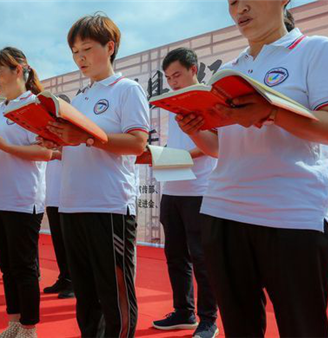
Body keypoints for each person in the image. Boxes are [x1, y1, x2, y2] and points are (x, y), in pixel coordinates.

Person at [177, 1, 328, 336]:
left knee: (303, 328)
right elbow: (221, 148)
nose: (241, 8)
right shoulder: (229, 69)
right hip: (223, 213)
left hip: (290, 217)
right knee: (240, 328)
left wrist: (271, 113)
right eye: (233, 2)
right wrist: (194, 127)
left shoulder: (315, 50)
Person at [42, 14, 150, 337]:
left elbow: (137, 143)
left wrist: (86, 138)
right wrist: (57, 143)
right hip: (72, 206)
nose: (80, 58)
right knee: (86, 298)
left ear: (110, 47)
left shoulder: (127, 90)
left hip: (109, 207)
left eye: (86, 49)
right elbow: (79, 147)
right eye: (75, 52)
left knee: (114, 294)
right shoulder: (80, 98)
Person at [151, 48, 219, 338]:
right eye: (168, 78)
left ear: (194, 69)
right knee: (175, 255)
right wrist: (161, 156)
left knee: (202, 259)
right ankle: (184, 311)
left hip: (200, 190)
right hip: (172, 189)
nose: (173, 82)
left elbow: (213, 144)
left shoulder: (208, 100)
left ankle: (208, 320)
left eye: (177, 75)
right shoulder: (172, 104)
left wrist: (171, 157)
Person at [0, 47, 52, 338]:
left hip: (24, 198)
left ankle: (29, 328)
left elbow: (46, 151)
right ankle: (13, 323)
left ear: (19, 70)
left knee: (25, 266)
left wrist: (5, 146)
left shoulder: (34, 105)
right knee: (7, 267)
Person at [43, 94, 74, 300]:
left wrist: (55, 150)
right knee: (58, 241)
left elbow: (74, 152)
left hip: (68, 194)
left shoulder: (73, 130)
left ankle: (74, 282)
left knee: (70, 242)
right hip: (52, 193)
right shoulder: (47, 129)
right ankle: (64, 277)